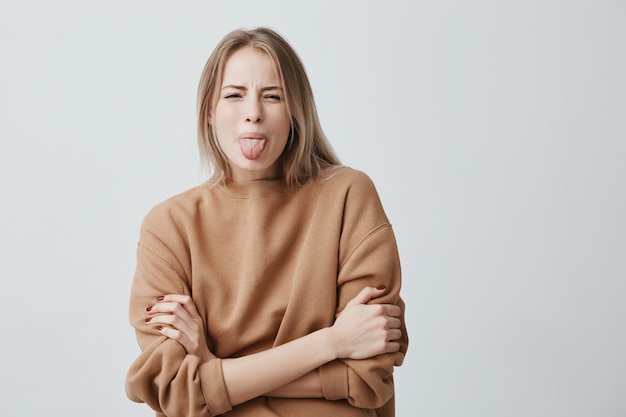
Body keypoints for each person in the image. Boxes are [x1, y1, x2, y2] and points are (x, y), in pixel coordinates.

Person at [125, 27, 408, 417]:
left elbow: (366, 378)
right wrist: (332, 343)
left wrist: (211, 368)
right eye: (234, 94)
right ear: (209, 110)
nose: (253, 112)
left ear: (295, 110)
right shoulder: (168, 227)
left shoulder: (347, 196)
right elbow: (174, 390)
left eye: (272, 96)